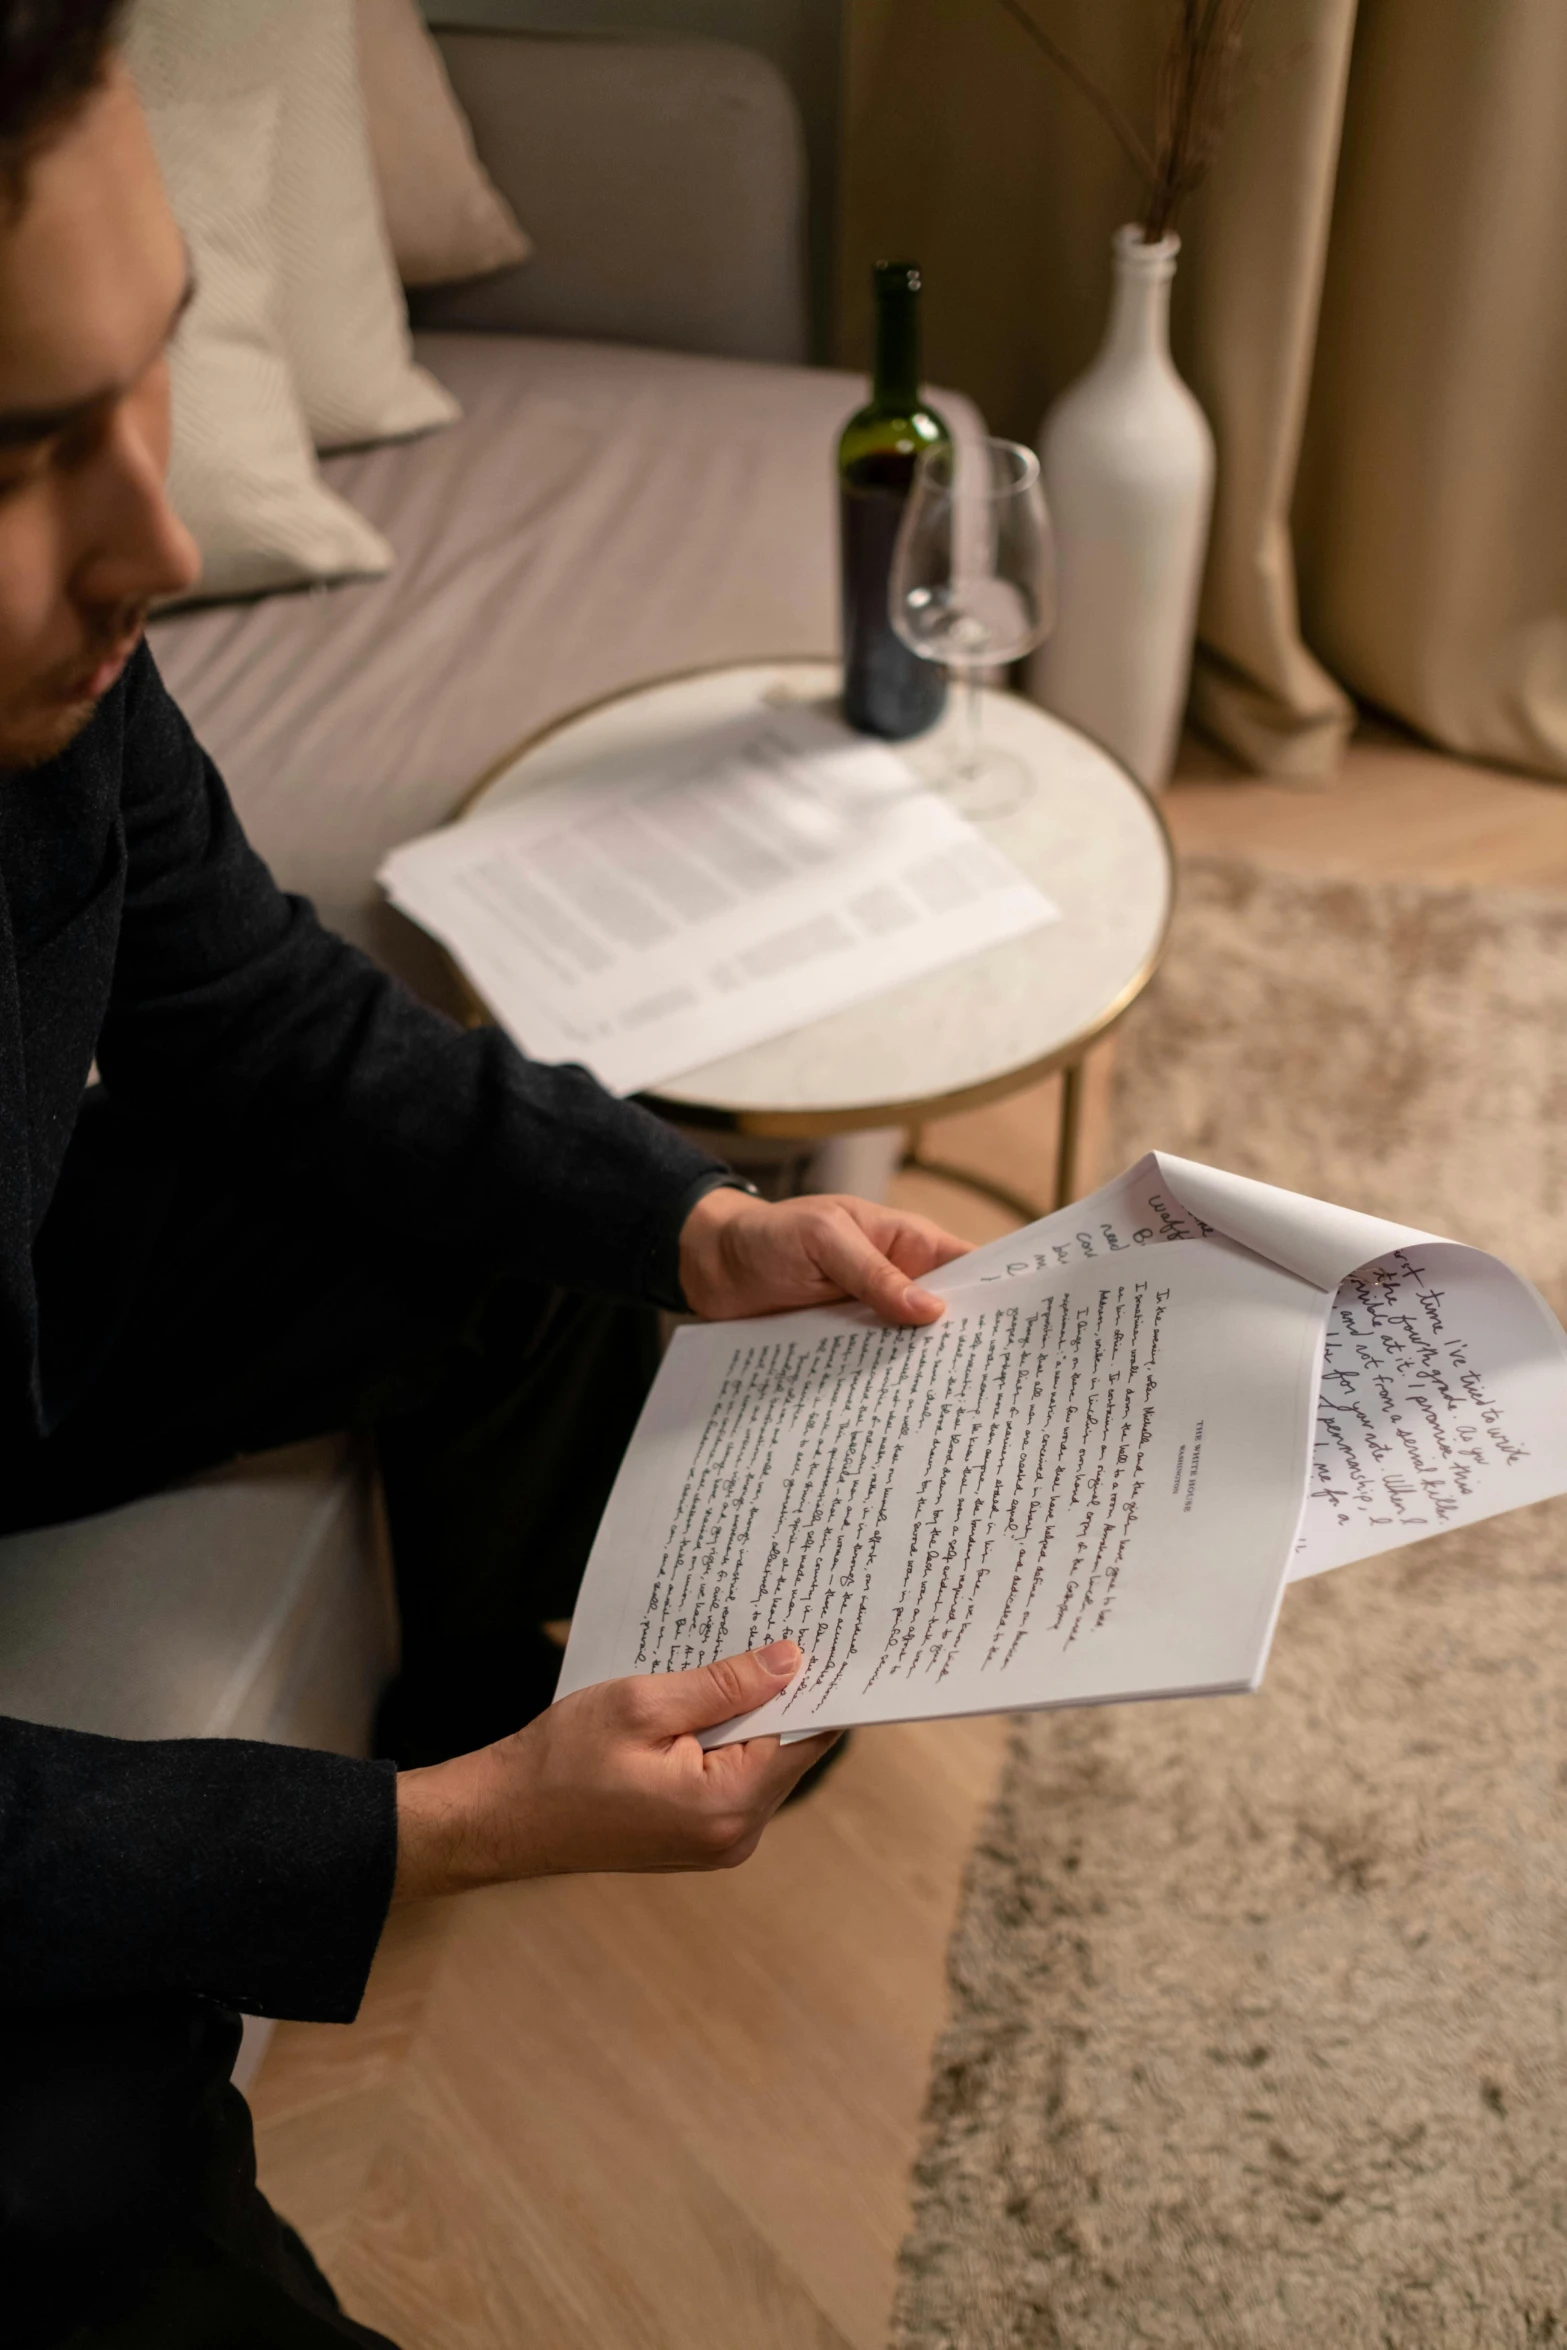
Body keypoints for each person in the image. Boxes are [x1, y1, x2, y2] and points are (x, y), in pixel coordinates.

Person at [0, 7, 972, 2342]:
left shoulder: (58, 678)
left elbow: (258, 1010)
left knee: (522, 1226)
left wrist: (698, 1220)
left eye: (161, 378)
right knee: (75, 2150)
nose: (164, 533)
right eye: (23, 451)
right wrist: (443, 1839)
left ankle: (533, 1673)